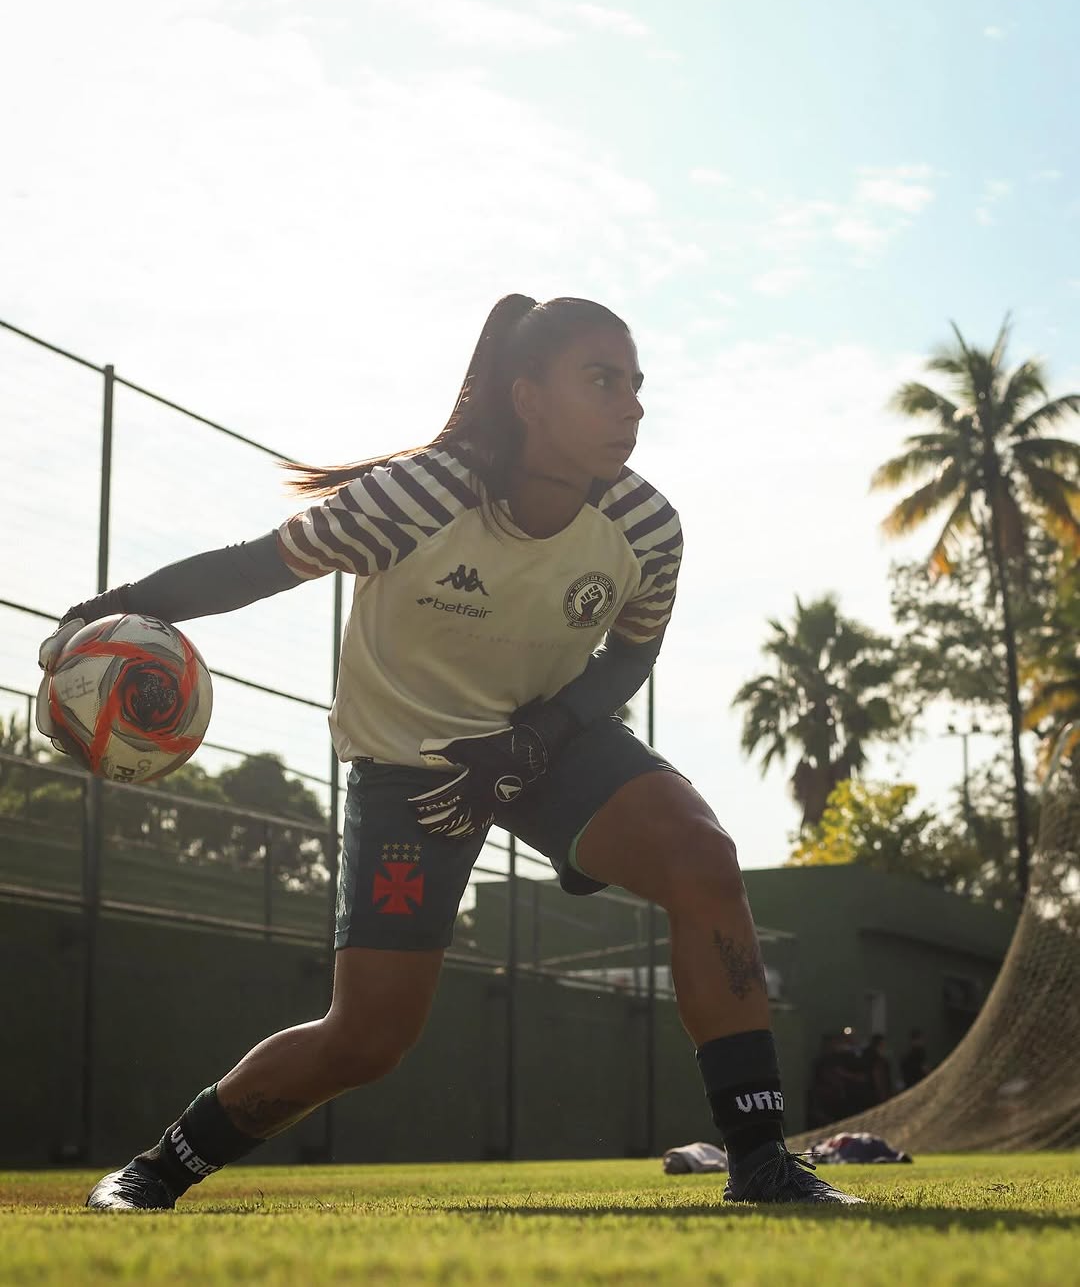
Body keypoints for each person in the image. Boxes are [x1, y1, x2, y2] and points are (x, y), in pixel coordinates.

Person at [38, 294, 861, 1208]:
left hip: (547, 740)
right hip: (410, 768)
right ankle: (156, 1170)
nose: (632, 406)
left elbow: (633, 654)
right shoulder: (417, 497)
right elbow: (252, 566)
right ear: (528, 397)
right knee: (368, 1038)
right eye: (602, 380)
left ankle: (761, 1162)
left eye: (636, 384)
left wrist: (538, 737)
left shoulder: (646, 526)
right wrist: (97, 610)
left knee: (702, 857)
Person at [858, 1033, 894, 1107]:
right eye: (883, 1043)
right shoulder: (875, 1058)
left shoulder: (869, 1056)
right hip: (876, 1092)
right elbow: (877, 1075)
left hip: (871, 1092)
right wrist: (882, 1094)